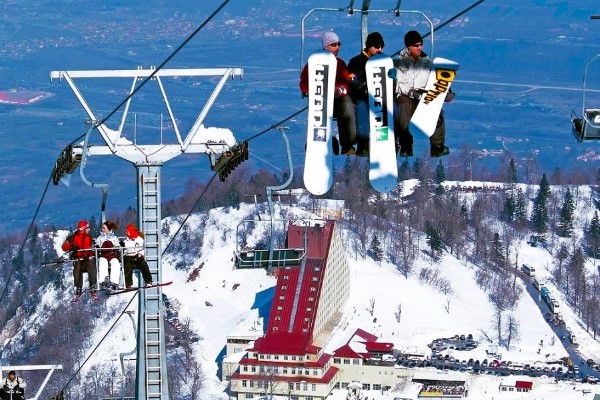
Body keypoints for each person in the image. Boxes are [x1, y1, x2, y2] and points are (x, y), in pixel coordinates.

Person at [393, 30, 454, 158]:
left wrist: (446, 92)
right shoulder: (398, 62)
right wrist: (412, 92)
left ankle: (437, 146)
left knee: (435, 109)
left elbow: (436, 81)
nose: (419, 48)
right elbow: (399, 84)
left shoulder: (428, 63)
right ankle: (406, 144)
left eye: (421, 44)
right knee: (404, 106)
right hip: (406, 94)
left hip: (423, 94)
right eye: (416, 45)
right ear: (408, 46)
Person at [300, 31, 357, 155]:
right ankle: (316, 141)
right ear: (326, 46)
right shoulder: (314, 63)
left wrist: (337, 90)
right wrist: (313, 90)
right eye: (333, 44)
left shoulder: (340, 64)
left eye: (338, 44)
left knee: (347, 103)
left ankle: (347, 143)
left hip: (336, 101)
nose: (337, 47)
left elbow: (345, 82)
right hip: (319, 100)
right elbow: (304, 83)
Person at [348, 32, 386, 157]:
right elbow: (352, 80)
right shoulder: (356, 62)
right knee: (362, 108)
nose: (380, 50)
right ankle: (363, 144)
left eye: (381, 47)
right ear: (369, 47)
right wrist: (364, 86)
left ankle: (386, 141)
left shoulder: (384, 62)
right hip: (362, 97)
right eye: (376, 47)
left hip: (379, 96)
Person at [62, 220, 98, 302]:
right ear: (83, 229)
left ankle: (93, 285)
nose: (89, 230)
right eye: (88, 228)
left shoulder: (89, 238)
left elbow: (92, 248)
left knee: (91, 263)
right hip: (79, 259)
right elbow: (64, 247)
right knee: (78, 267)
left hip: (87, 258)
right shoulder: (73, 238)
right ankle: (78, 287)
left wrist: (91, 252)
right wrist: (72, 247)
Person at [123, 224, 153, 288]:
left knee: (144, 265)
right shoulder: (126, 241)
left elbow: (141, 249)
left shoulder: (140, 240)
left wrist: (138, 255)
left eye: (127, 231)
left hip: (138, 258)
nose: (126, 232)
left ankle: (148, 281)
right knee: (127, 266)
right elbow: (125, 251)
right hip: (129, 258)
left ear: (131, 231)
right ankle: (128, 284)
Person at [95, 220, 121, 289]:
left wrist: (116, 248)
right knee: (102, 262)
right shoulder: (100, 237)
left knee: (115, 263)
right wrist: (97, 246)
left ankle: (114, 282)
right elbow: (97, 244)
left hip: (112, 255)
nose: (102, 229)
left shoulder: (114, 237)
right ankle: (103, 281)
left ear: (108, 229)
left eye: (104, 228)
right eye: (102, 228)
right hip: (103, 255)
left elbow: (117, 245)